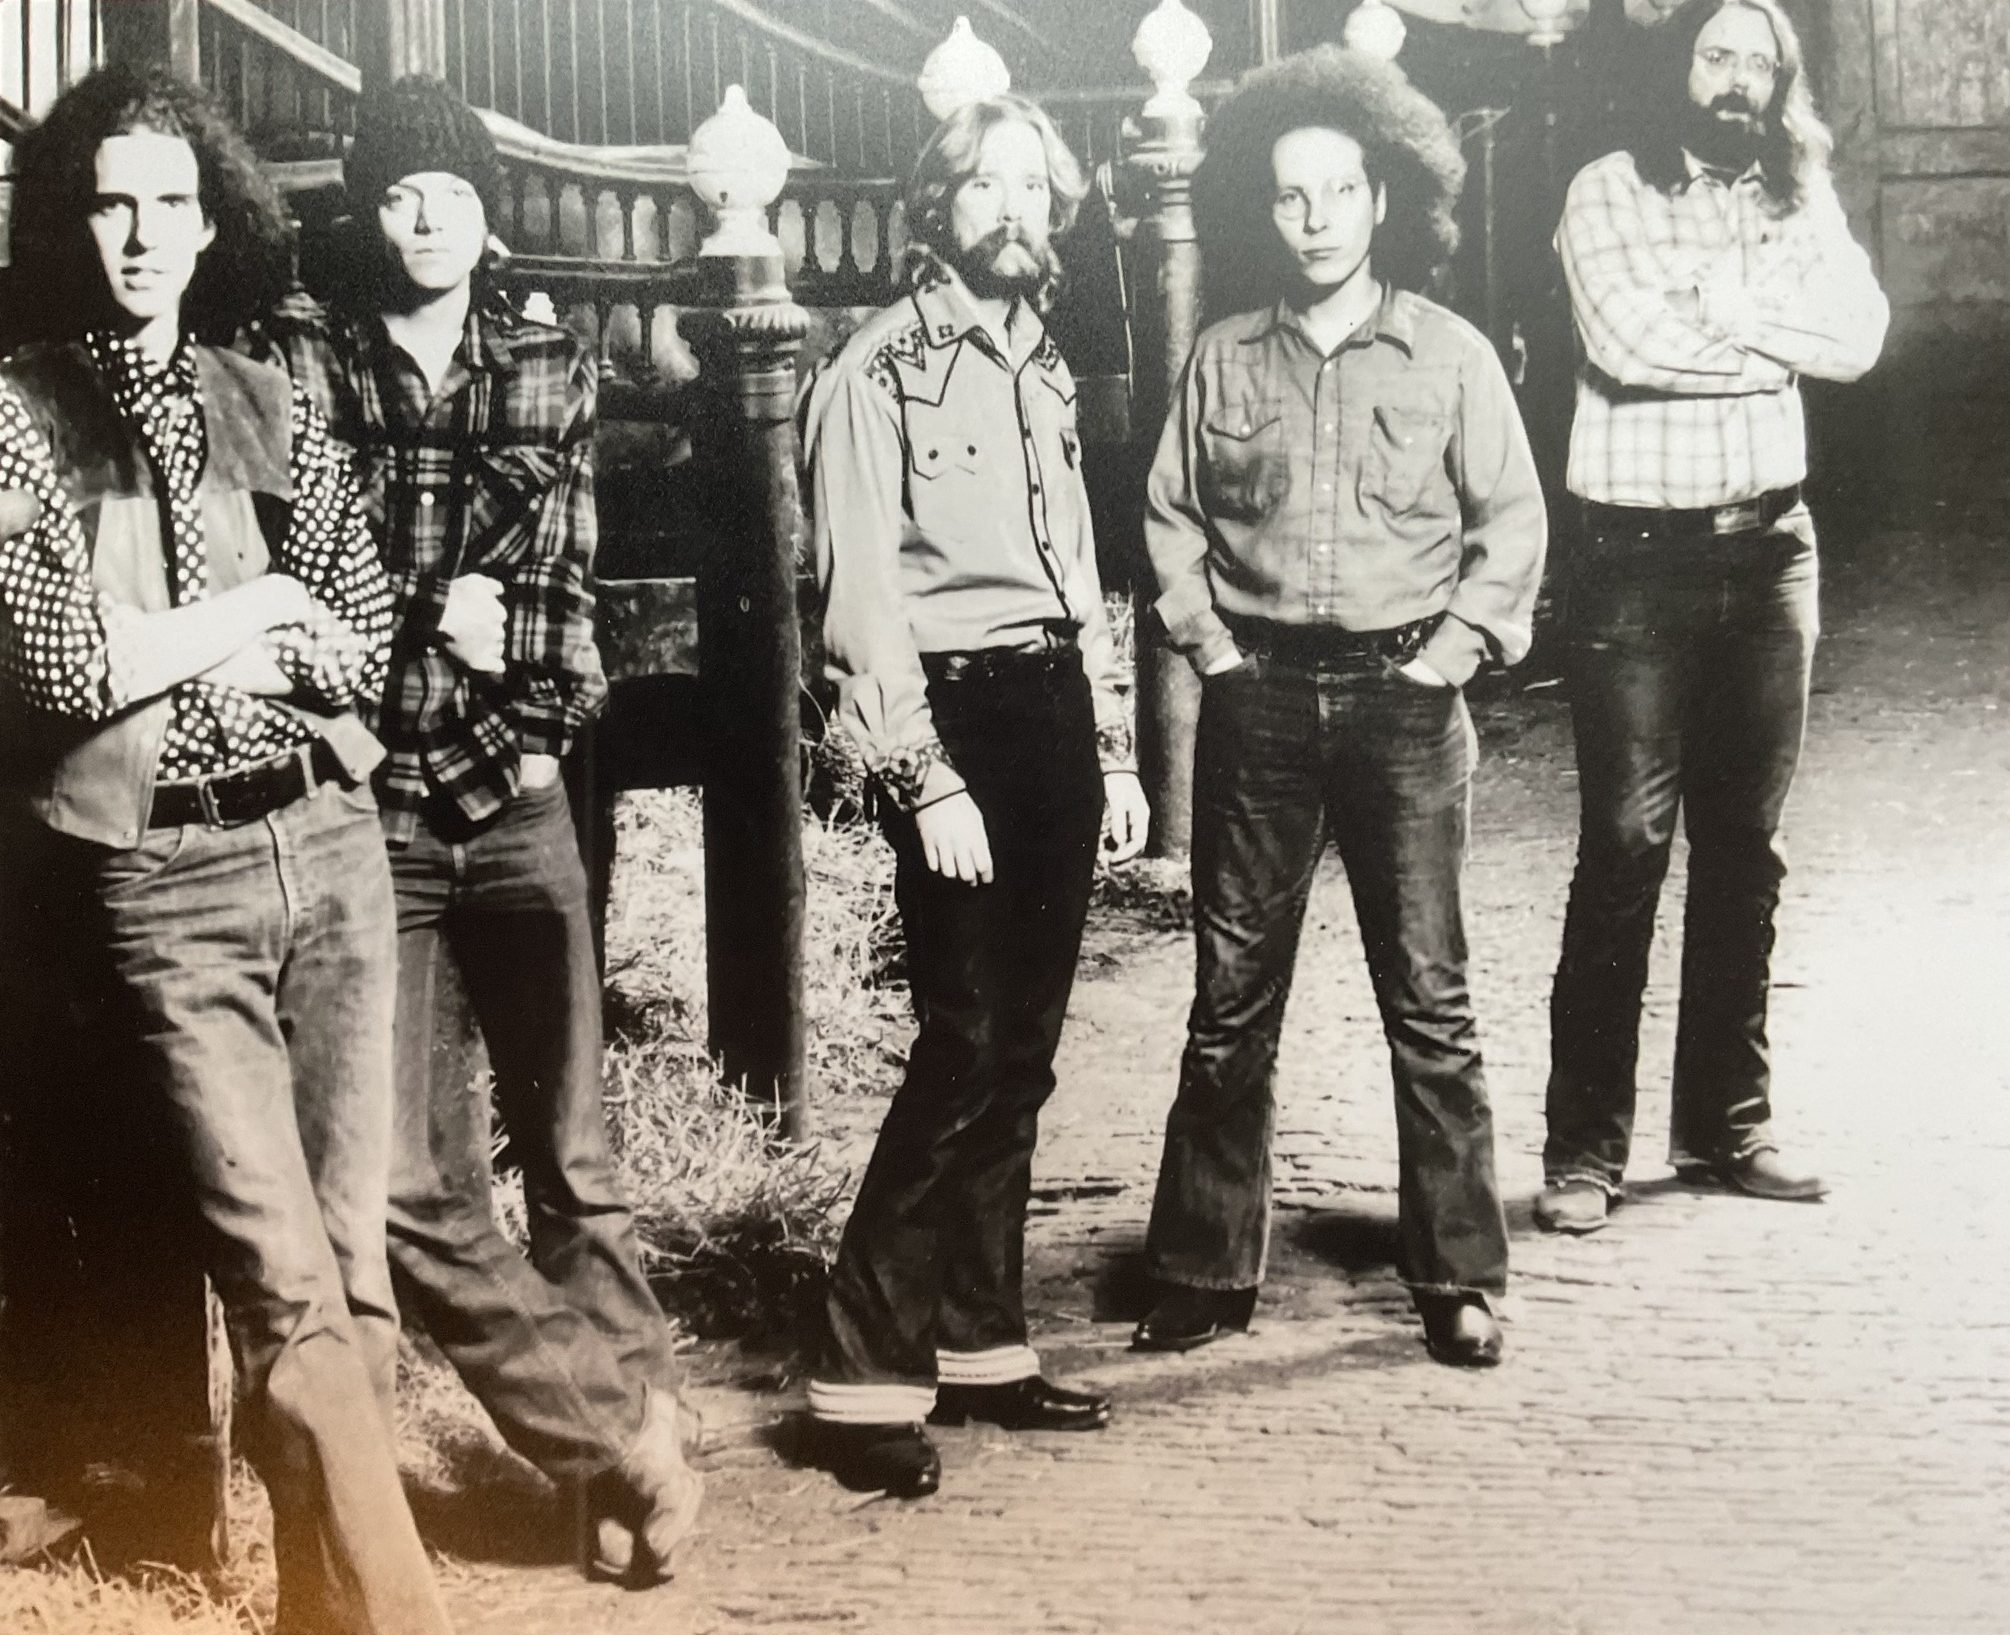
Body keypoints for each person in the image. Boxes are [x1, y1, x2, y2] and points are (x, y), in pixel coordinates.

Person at [0, 66, 453, 1635]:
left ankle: (325, 1611)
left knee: (356, 1284)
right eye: (110, 205)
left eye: (170, 205)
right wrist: (259, 609)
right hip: (166, 882)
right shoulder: (19, 411)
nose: (140, 236)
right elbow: (65, 666)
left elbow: (362, 638)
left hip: (326, 848)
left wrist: (199, 641)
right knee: (282, 1285)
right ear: (69, 223)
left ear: (213, 225)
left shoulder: (271, 394)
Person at [273, 77, 699, 1583]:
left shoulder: (548, 362)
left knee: (575, 1157)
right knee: (402, 1185)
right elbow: (305, 591)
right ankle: (619, 1436)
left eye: (450, 190)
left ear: (485, 208)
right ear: (370, 213)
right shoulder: (309, 362)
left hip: (515, 794)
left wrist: (503, 663)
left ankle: (606, 1480)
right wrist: (429, 609)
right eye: (399, 194)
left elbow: (564, 616)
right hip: (370, 810)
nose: (427, 218)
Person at [1131, 47, 1546, 1369]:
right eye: (1290, 195)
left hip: (1404, 705)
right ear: (1266, 210)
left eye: (1339, 191)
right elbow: (1168, 519)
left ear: (1383, 200)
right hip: (1255, 703)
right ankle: (1200, 1266)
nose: (1314, 217)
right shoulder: (1219, 358)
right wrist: (1214, 653)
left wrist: (1447, 659)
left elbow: (1511, 524)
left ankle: (1459, 1273)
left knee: (1429, 1002)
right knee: (1229, 1001)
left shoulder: (1450, 356)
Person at [796, 90, 1151, 1498]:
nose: (1013, 208)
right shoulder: (874, 372)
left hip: (1053, 710)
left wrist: (1111, 747)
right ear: (938, 207)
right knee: (960, 1042)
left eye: (1032, 186)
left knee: (1023, 1050)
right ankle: (857, 1374)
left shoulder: (1042, 364)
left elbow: (1080, 570)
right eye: (985, 184)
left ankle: (981, 1341)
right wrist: (922, 773)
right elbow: (858, 603)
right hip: (956, 723)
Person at [1537, 0, 1888, 1234]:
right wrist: (1774, 338)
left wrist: (1725, 313)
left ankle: (1725, 1130)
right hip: (1637, 561)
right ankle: (1584, 1152)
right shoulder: (1607, 188)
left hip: (1775, 551)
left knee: (1745, 849)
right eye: (1717, 54)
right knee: (1626, 849)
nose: (1737, 80)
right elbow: (1627, 344)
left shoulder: (1800, 194)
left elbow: (1861, 340)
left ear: (1781, 84)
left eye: (1760, 63)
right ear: (1677, 65)